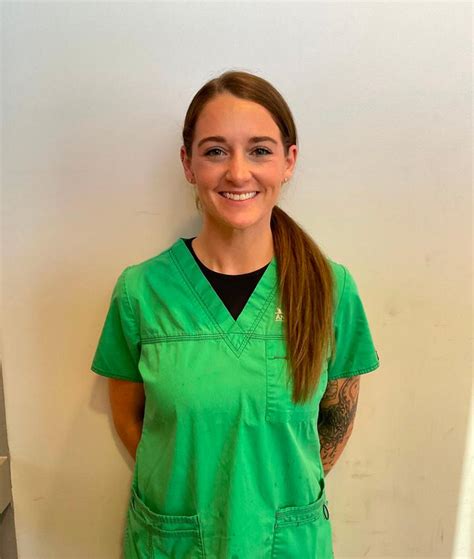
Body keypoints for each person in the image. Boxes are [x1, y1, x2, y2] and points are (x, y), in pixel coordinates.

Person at [90, 70, 380, 559]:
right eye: (215, 151)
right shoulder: (141, 292)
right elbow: (129, 418)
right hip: (174, 544)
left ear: (289, 161)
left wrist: (267, 501)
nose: (239, 173)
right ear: (188, 164)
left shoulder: (331, 290)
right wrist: (194, 490)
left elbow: (335, 420)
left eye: (260, 150)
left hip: (286, 544)